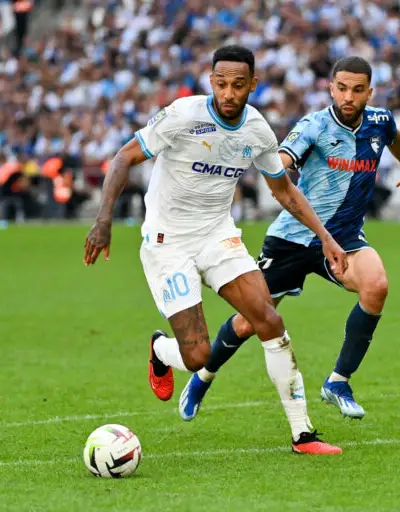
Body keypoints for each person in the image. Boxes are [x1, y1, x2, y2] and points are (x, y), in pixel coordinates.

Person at [84, 45, 347, 455]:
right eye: (221, 83)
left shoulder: (257, 130)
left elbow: (283, 191)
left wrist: (325, 237)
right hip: (168, 243)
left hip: (217, 237)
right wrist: (103, 220)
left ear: (252, 85)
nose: (228, 93)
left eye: (238, 85)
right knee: (196, 356)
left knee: (269, 319)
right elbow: (123, 158)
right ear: (211, 81)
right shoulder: (183, 115)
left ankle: (303, 434)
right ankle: (161, 349)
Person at [178, 56, 400, 422]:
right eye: (342, 88)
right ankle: (202, 377)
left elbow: (395, 137)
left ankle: (338, 382)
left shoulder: (380, 122)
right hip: (292, 239)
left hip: (343, 239)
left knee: (377, 286)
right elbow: (281, 160)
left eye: (357, 90)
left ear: (369, 93)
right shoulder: (314, 126)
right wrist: (279, 164)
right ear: (331, 88)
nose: (348, 97)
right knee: (248, 322)